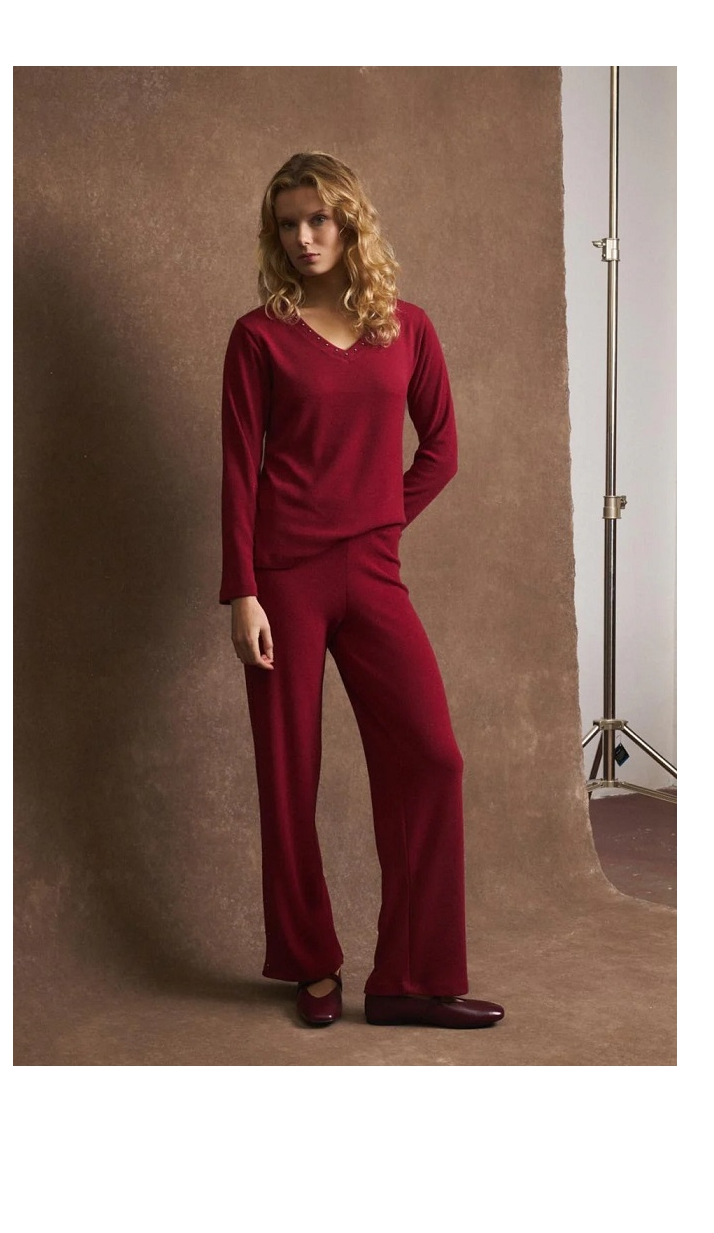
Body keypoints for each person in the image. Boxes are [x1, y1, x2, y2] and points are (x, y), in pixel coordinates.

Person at [219, 152, 503, 1030]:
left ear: (349, 223)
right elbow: (238, 470)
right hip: (282, 580)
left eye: (319, 220)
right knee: (289, 773)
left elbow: (442, 451)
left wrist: (379, 521)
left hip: (373, 572)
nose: (303, 238)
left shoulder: (406, 327)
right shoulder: (258, 337)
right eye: (288, 224)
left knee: (432, 757)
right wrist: (241, 592)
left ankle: (409, 978)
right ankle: (311, 963)